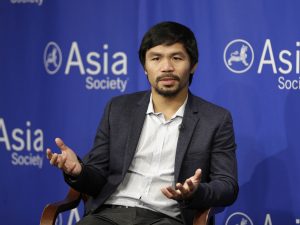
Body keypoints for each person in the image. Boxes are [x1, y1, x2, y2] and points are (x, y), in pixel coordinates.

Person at [46, 21, 238, 225]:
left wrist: (196, 192)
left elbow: (227, 186)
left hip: (168, 219)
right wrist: (79, 171)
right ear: (145, 67)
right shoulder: (118, 109)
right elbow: (97, 177)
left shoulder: (215, 119)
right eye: (156, 58)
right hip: (109, 215)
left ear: (193, 65)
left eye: (176, 58)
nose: (166, 67)